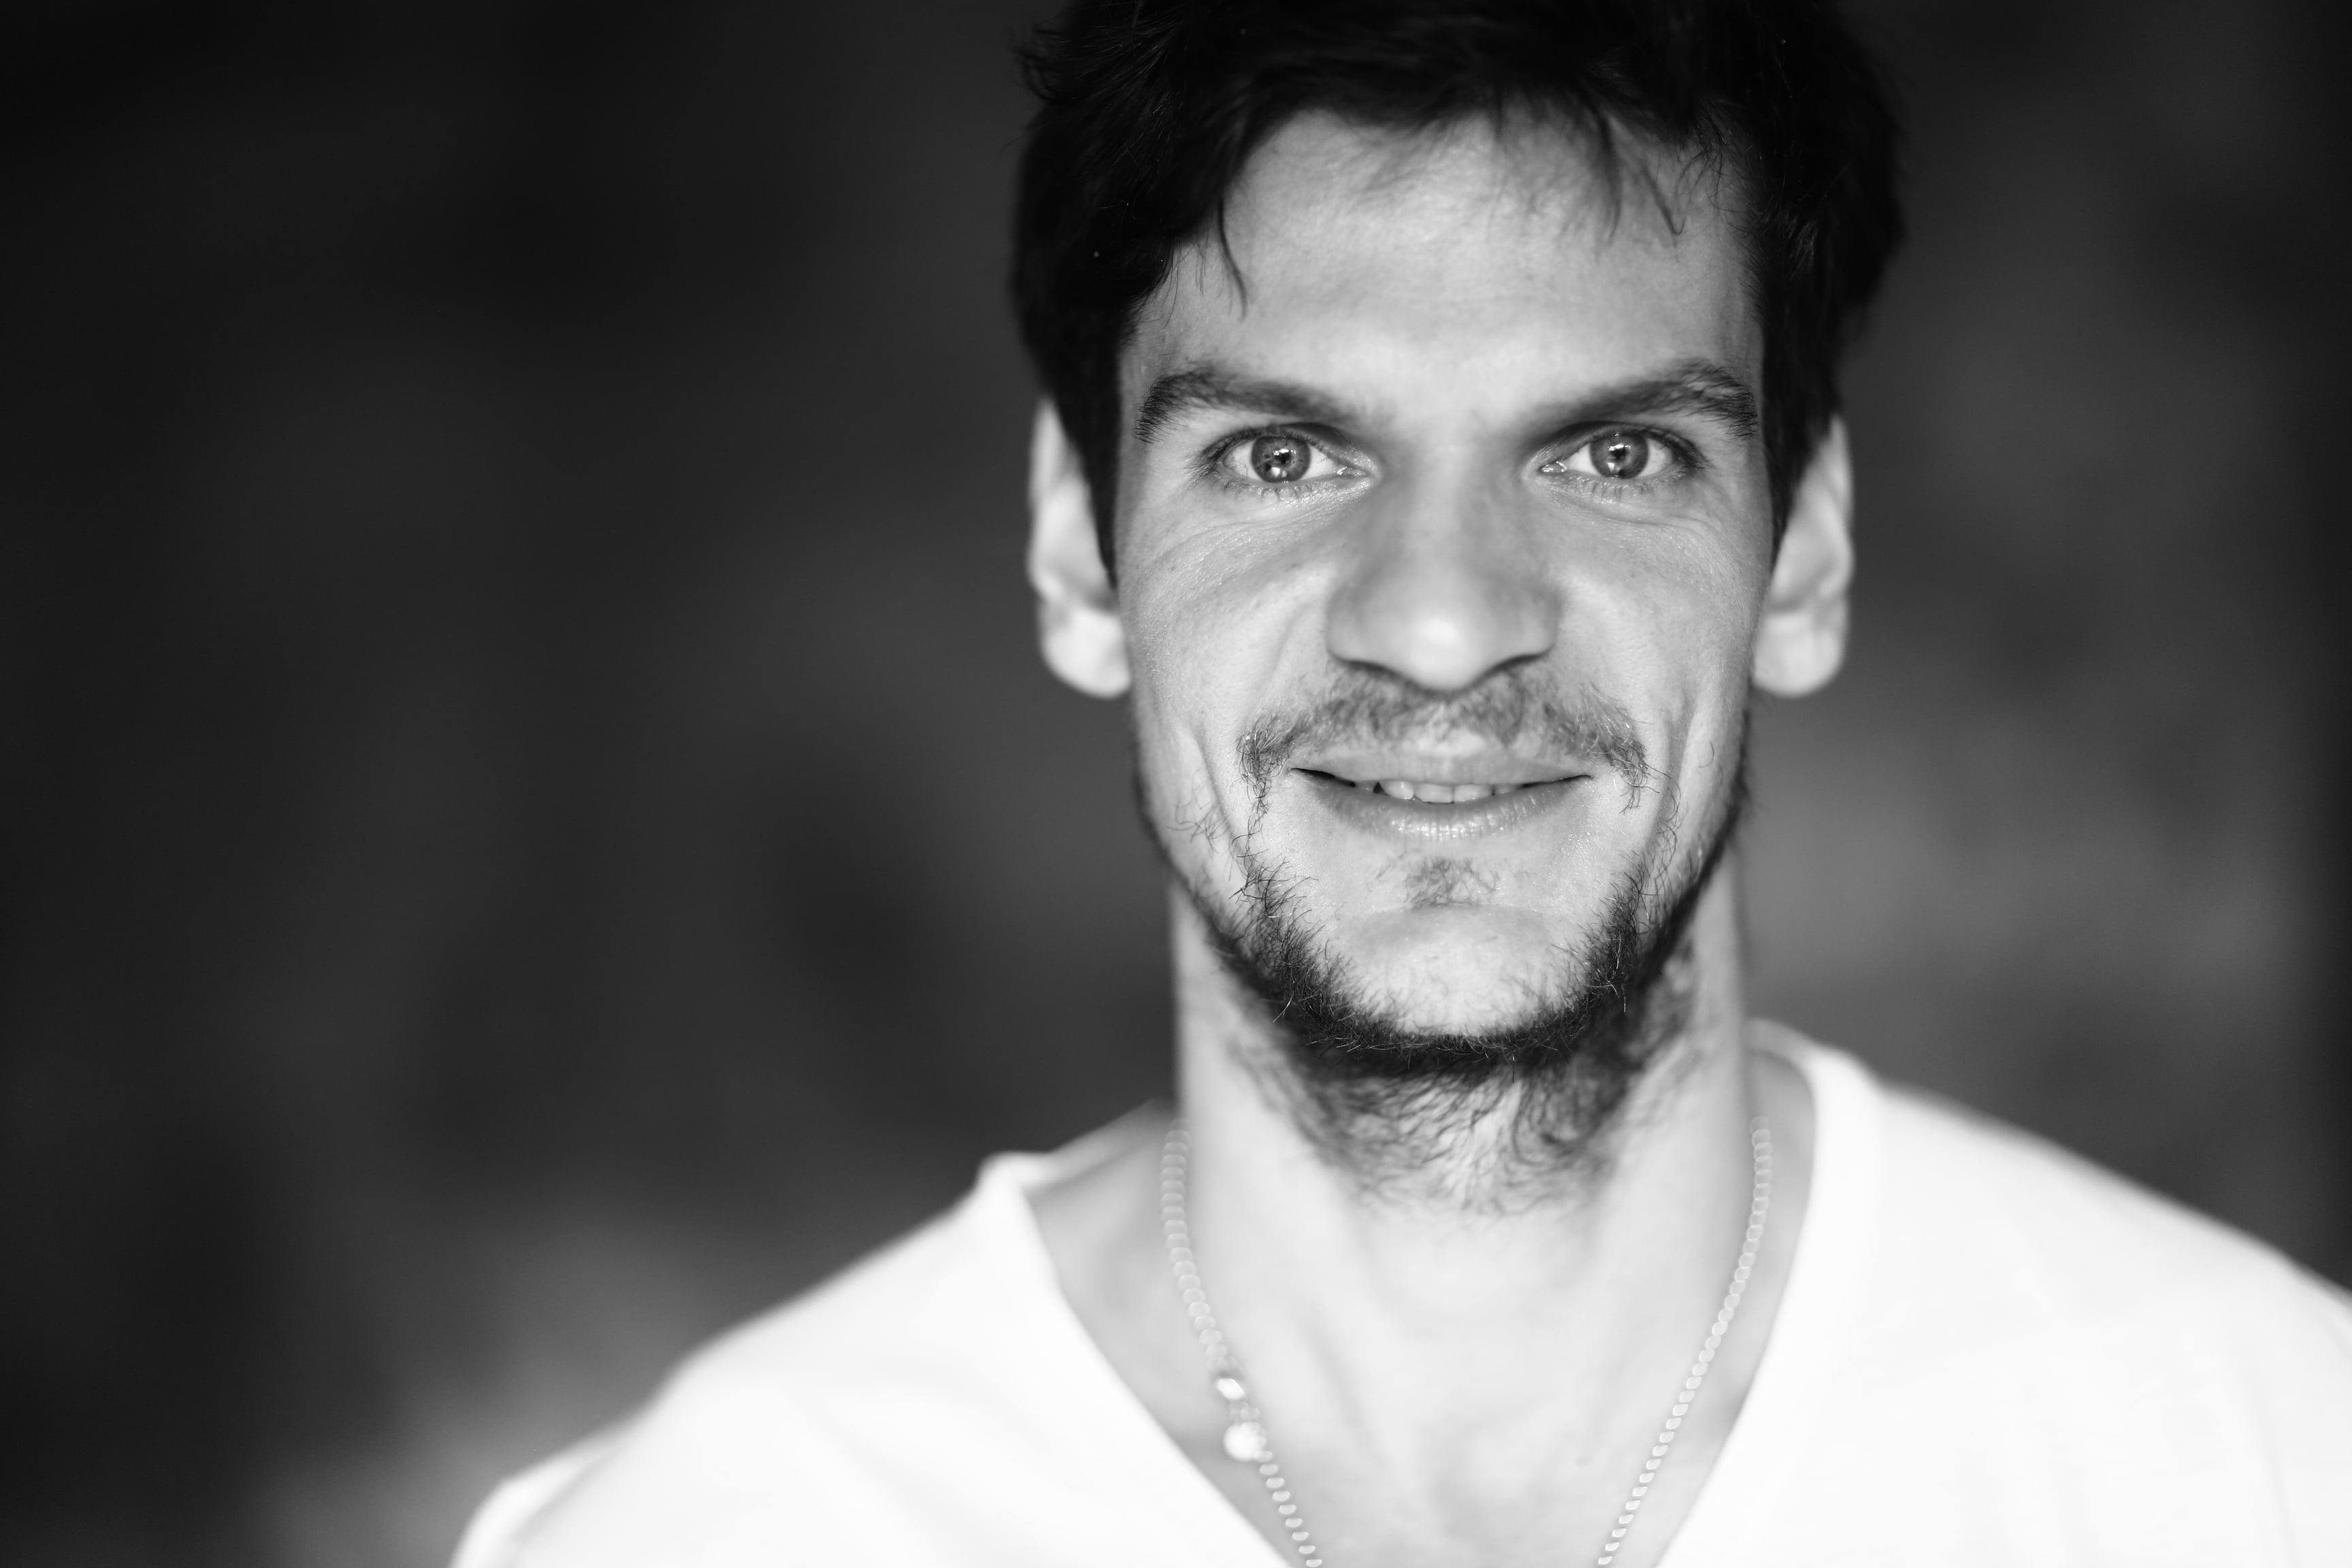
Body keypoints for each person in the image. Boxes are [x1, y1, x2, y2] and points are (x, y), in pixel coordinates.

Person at [453, 2, 2352, 1563]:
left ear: (1805, 553)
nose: (1443, 628)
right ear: (1076, 549)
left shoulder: (2270, 1459)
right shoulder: (705, 1531)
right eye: (1285, 459)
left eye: (1614, 458)